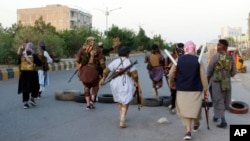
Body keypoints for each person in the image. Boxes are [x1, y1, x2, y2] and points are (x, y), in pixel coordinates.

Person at [168, 41, 208, 140]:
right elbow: (203, 76)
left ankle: (188, 131)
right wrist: (206, 89)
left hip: (182, 89)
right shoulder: (198, 60)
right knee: (196, 107)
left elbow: (171, 74)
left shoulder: (179, 60)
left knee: (184, 110)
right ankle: (196, 122)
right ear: (193, 49)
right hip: (196, 89)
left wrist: (171, 83)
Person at [99, 46, 142, 128]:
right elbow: (135, 75)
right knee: (125, 101)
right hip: (125, 82)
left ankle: (121, 114)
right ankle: (122, 118)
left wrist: (103, 79)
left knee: (119, 99)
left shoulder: (115, 61)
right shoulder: (129, 61)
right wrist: (136, 82)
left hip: (114, 82)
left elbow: (106, 71)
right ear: (127, 54)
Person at [207, 39, 236, 128]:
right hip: (226, 83)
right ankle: (216, 116)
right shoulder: (230, 57)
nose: (217, 47)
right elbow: (234, 72)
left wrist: (207, 81)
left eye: (219, 45)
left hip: (216, 83)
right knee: (223, 100)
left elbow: (209, 70)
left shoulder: (216, 56)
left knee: (218, 100)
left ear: (224, 47)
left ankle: (223, 121)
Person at [76, 36, 106, 110]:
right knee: (95, 86)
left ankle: (88, 105)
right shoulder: (98, 50)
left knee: (86, 87)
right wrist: (104, 69)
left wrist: (81, 64)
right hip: (94, 70)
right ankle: (92, 100)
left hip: (84, 71)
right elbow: (102, 62)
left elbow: (77, 59)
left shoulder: (82, 49)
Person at [17, 42, 42, 109]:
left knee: (25, 88)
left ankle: (25, 103)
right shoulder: (34, 55)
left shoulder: (22, 55)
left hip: (23, 75)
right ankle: (32, 99)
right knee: (35, 87)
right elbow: (40, 63)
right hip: (32, 74)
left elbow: (18, 63)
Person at [164, 43, 184, 114]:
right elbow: (167, 68)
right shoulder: (170, 56)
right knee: (173, 93)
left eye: (182, 48)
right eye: (180, 48)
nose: (181, 50)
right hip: (174, 77)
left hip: (182, 77)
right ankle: (173, 107)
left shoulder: (184, 56)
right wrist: (168, 73)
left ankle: (180, 107)